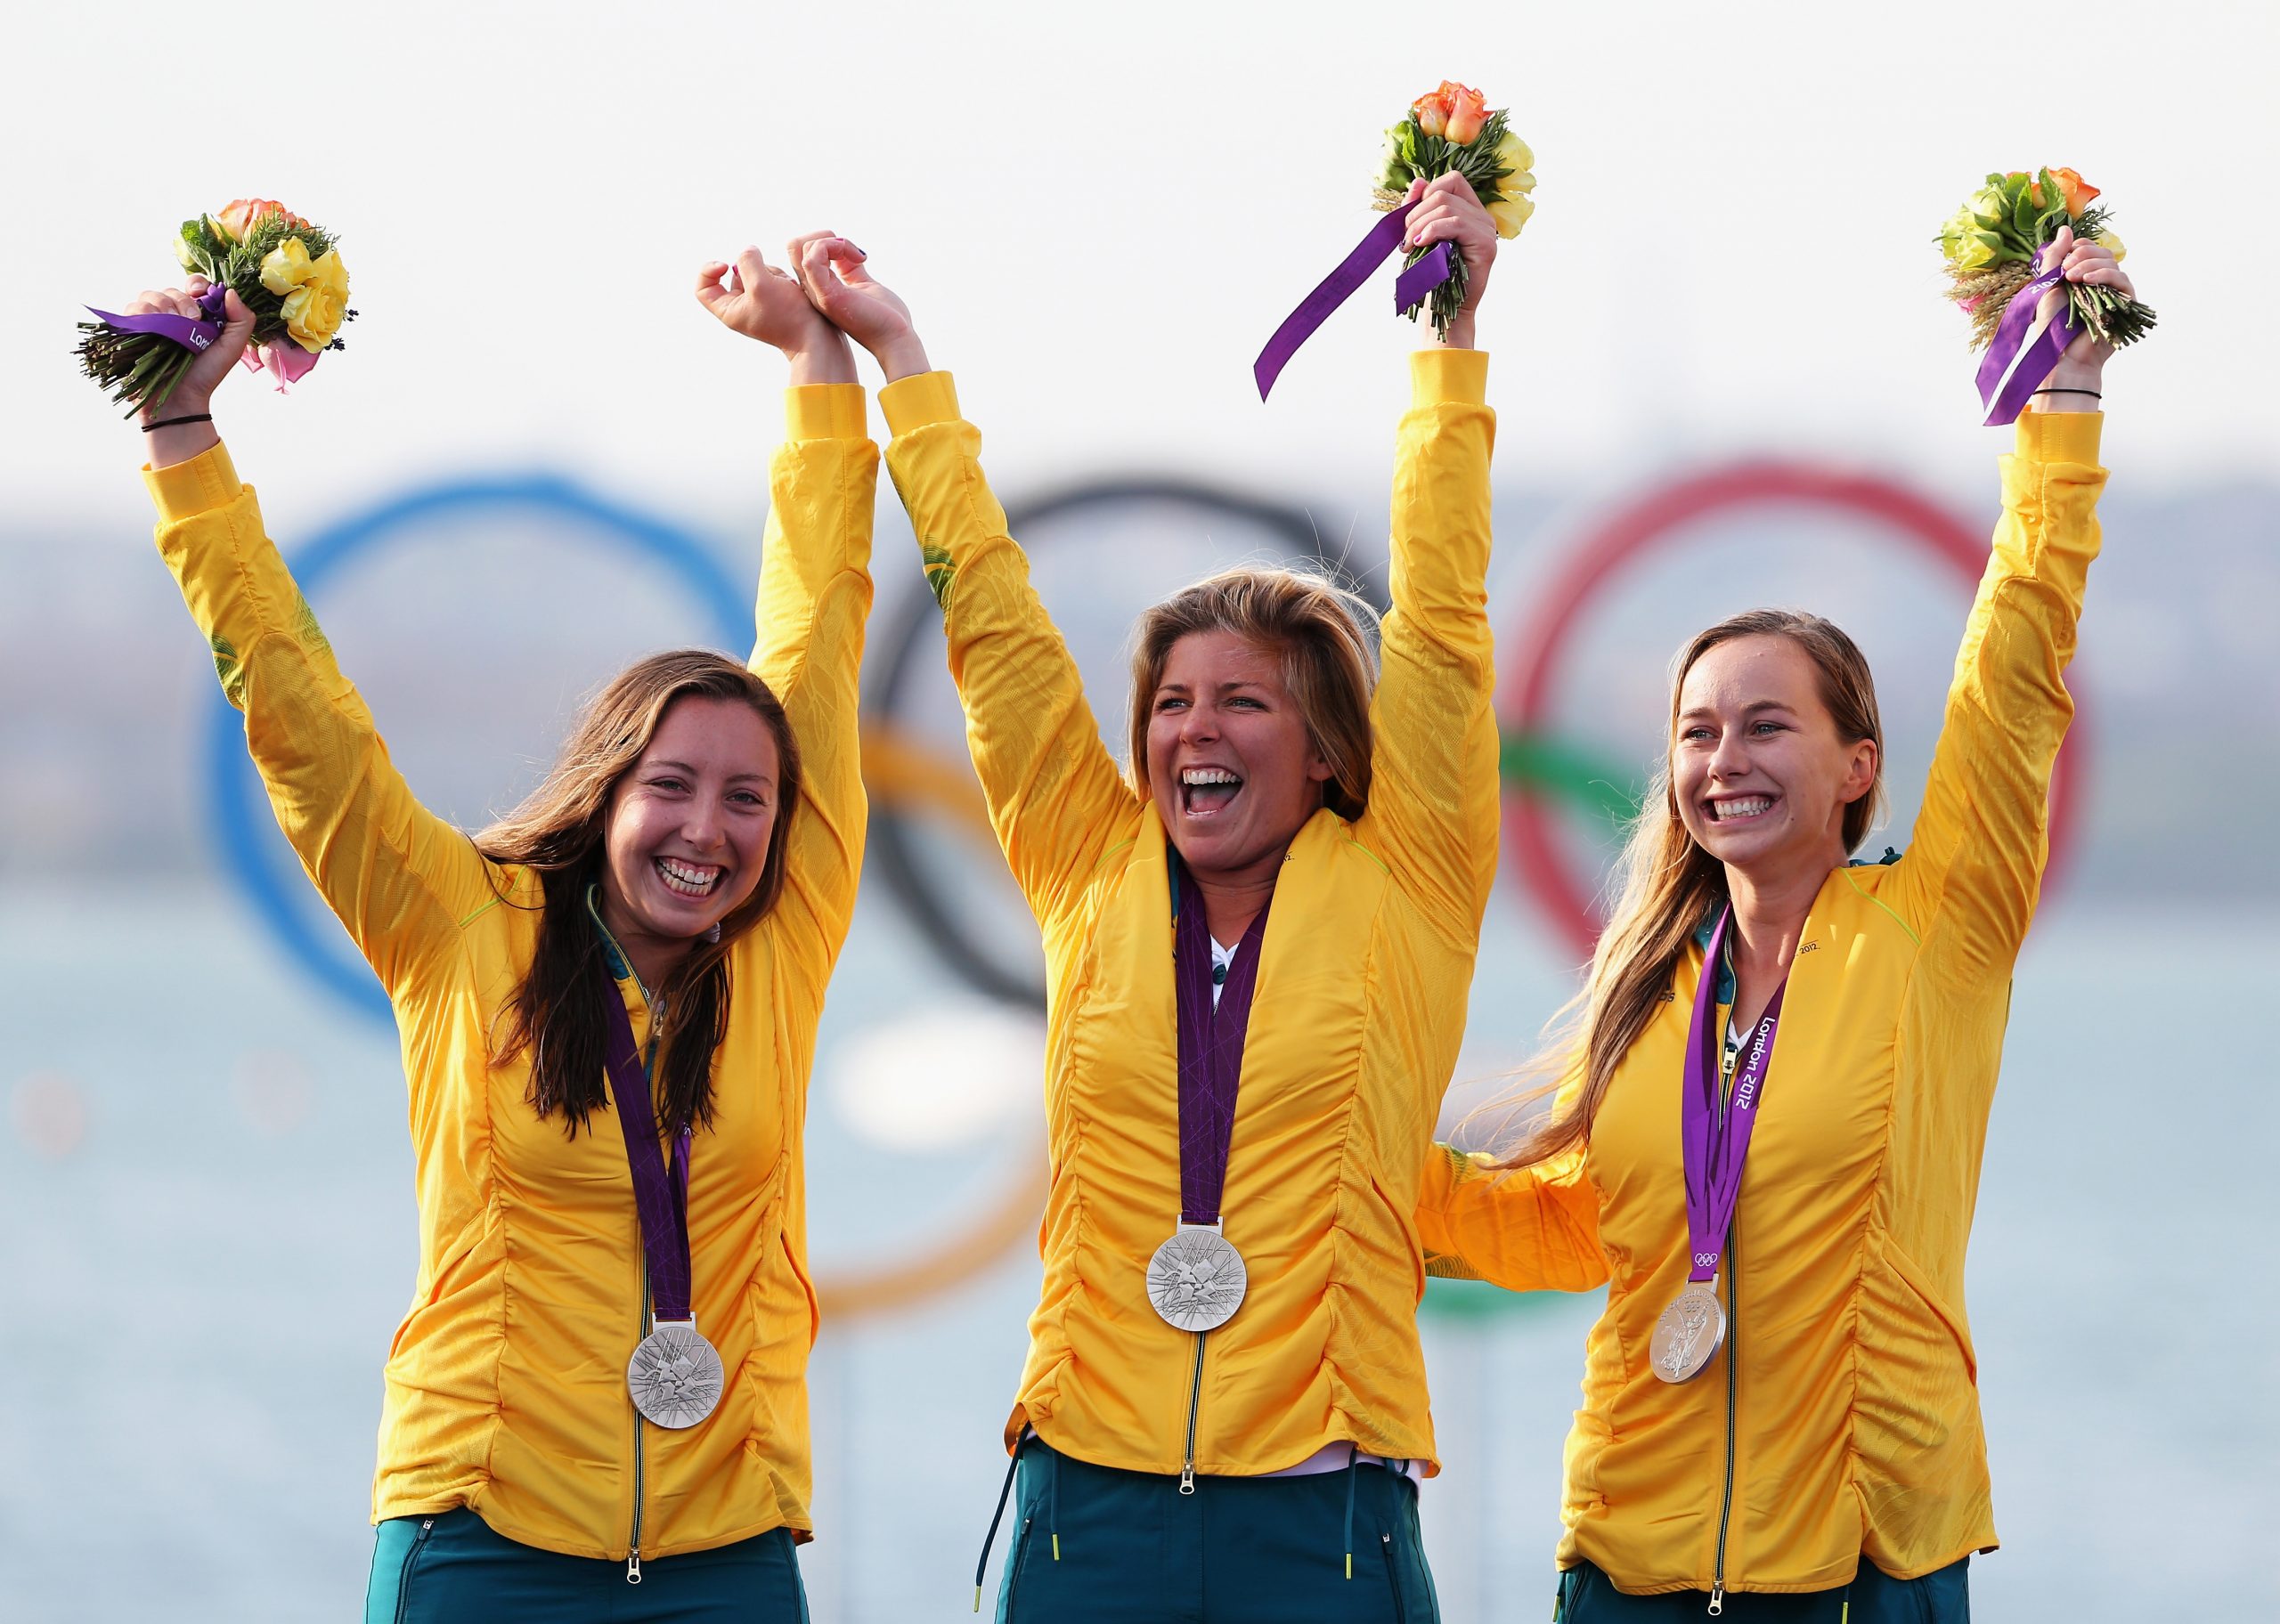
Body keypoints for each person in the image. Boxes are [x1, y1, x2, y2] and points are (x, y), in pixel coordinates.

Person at [118, 232, 879, 1621]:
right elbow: (301, 720)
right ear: (604, 795)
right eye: (671, 788)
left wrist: (818, 370)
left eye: (747, 800)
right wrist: (182, 437)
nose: (708, 830)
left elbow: (818, 626)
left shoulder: (785, 940)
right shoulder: (457, 922)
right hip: (480, 1538)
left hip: (726, 1556)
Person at [784, 174, 1503, 1622]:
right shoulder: (1086, 862)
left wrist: (1449, 339)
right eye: (1171, 703)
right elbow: (987, 617)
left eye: (1244, 702)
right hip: (1085, 1514)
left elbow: (1442, 614)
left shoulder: (1410, 871)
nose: (1194, 732)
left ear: (1324, 747)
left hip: (1325, 1519)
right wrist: (901, 368)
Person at [1416, 226, 2135, 1621]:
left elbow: (2017, 666)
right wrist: (1373, 1169)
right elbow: (1580, 1230)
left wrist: (2067, 399)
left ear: (1858, 764)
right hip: (1628, 1566)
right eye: (1696, 732)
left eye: (1765, 726)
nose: (1723, 759)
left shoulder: (1938, 930)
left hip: (1861, 1565)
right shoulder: (1654, 995)